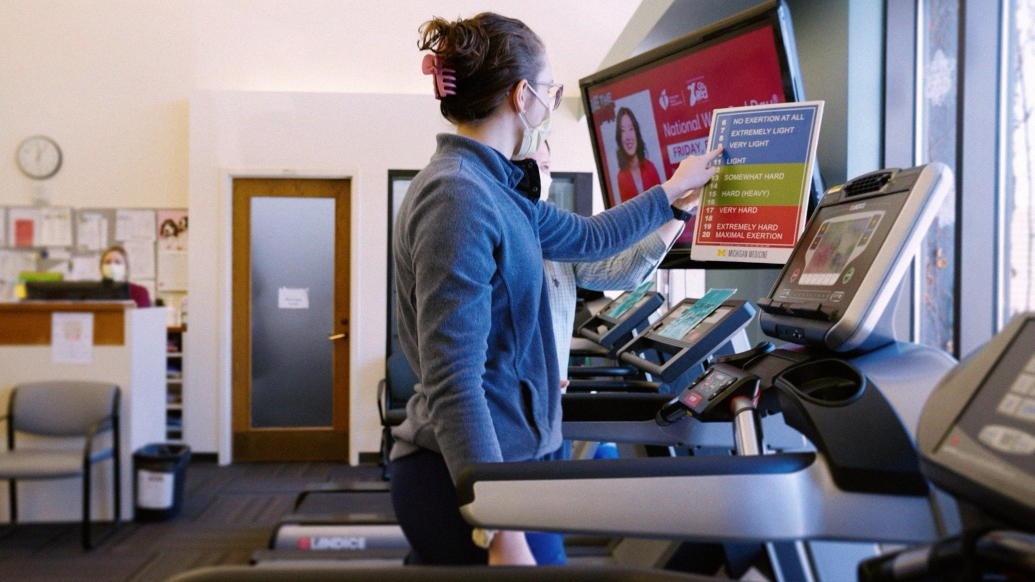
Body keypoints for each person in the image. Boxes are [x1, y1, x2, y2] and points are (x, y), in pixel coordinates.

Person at [391, 12, 721, 567]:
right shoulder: (458, 196)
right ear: (523, 97)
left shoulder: (497, 188)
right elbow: (453, 381)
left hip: (513, 465)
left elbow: (592, 238)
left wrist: (674, 192)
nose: (551, 102)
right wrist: (498, 529)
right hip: (472, 479)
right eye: (551, 91)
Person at [528, 140, 697, 383]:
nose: (540, 175)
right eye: (530, 166)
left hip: (545, 407)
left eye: (544, 166)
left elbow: (620, 270)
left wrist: (681, 207)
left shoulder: (551, 232)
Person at [615, 107, 663, 202]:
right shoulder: (621, 177)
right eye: (623, 131)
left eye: (631, 129)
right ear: (619, 137)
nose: (628, 136)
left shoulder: (650, 168)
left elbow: (663, 203)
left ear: (637, 132)